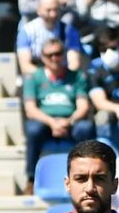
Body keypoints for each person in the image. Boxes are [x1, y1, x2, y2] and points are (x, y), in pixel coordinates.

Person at [21, 38, 93, 196]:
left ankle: (88, 175)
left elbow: (83, 106)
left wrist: (68, 121)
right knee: (33, 130)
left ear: (64, 55)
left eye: (58, 53)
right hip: (45, 121)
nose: (55, 58)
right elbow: (30, 109)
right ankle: (31, 179)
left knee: (85, 128)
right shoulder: (34, 78)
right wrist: (52, 122)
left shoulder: (77, 77)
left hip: (70, 120)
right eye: (50, 55)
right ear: (42, 57)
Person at [15, 0, 83, 75]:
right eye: (49, 10)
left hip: (64, 78)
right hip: (36, 78)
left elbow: (74, 64)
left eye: (56, 10)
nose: (53, 14)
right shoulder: (27, 31)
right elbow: (25, 66)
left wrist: (61, 78)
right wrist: (48, 78)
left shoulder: (69, 30)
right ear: (39, 10)